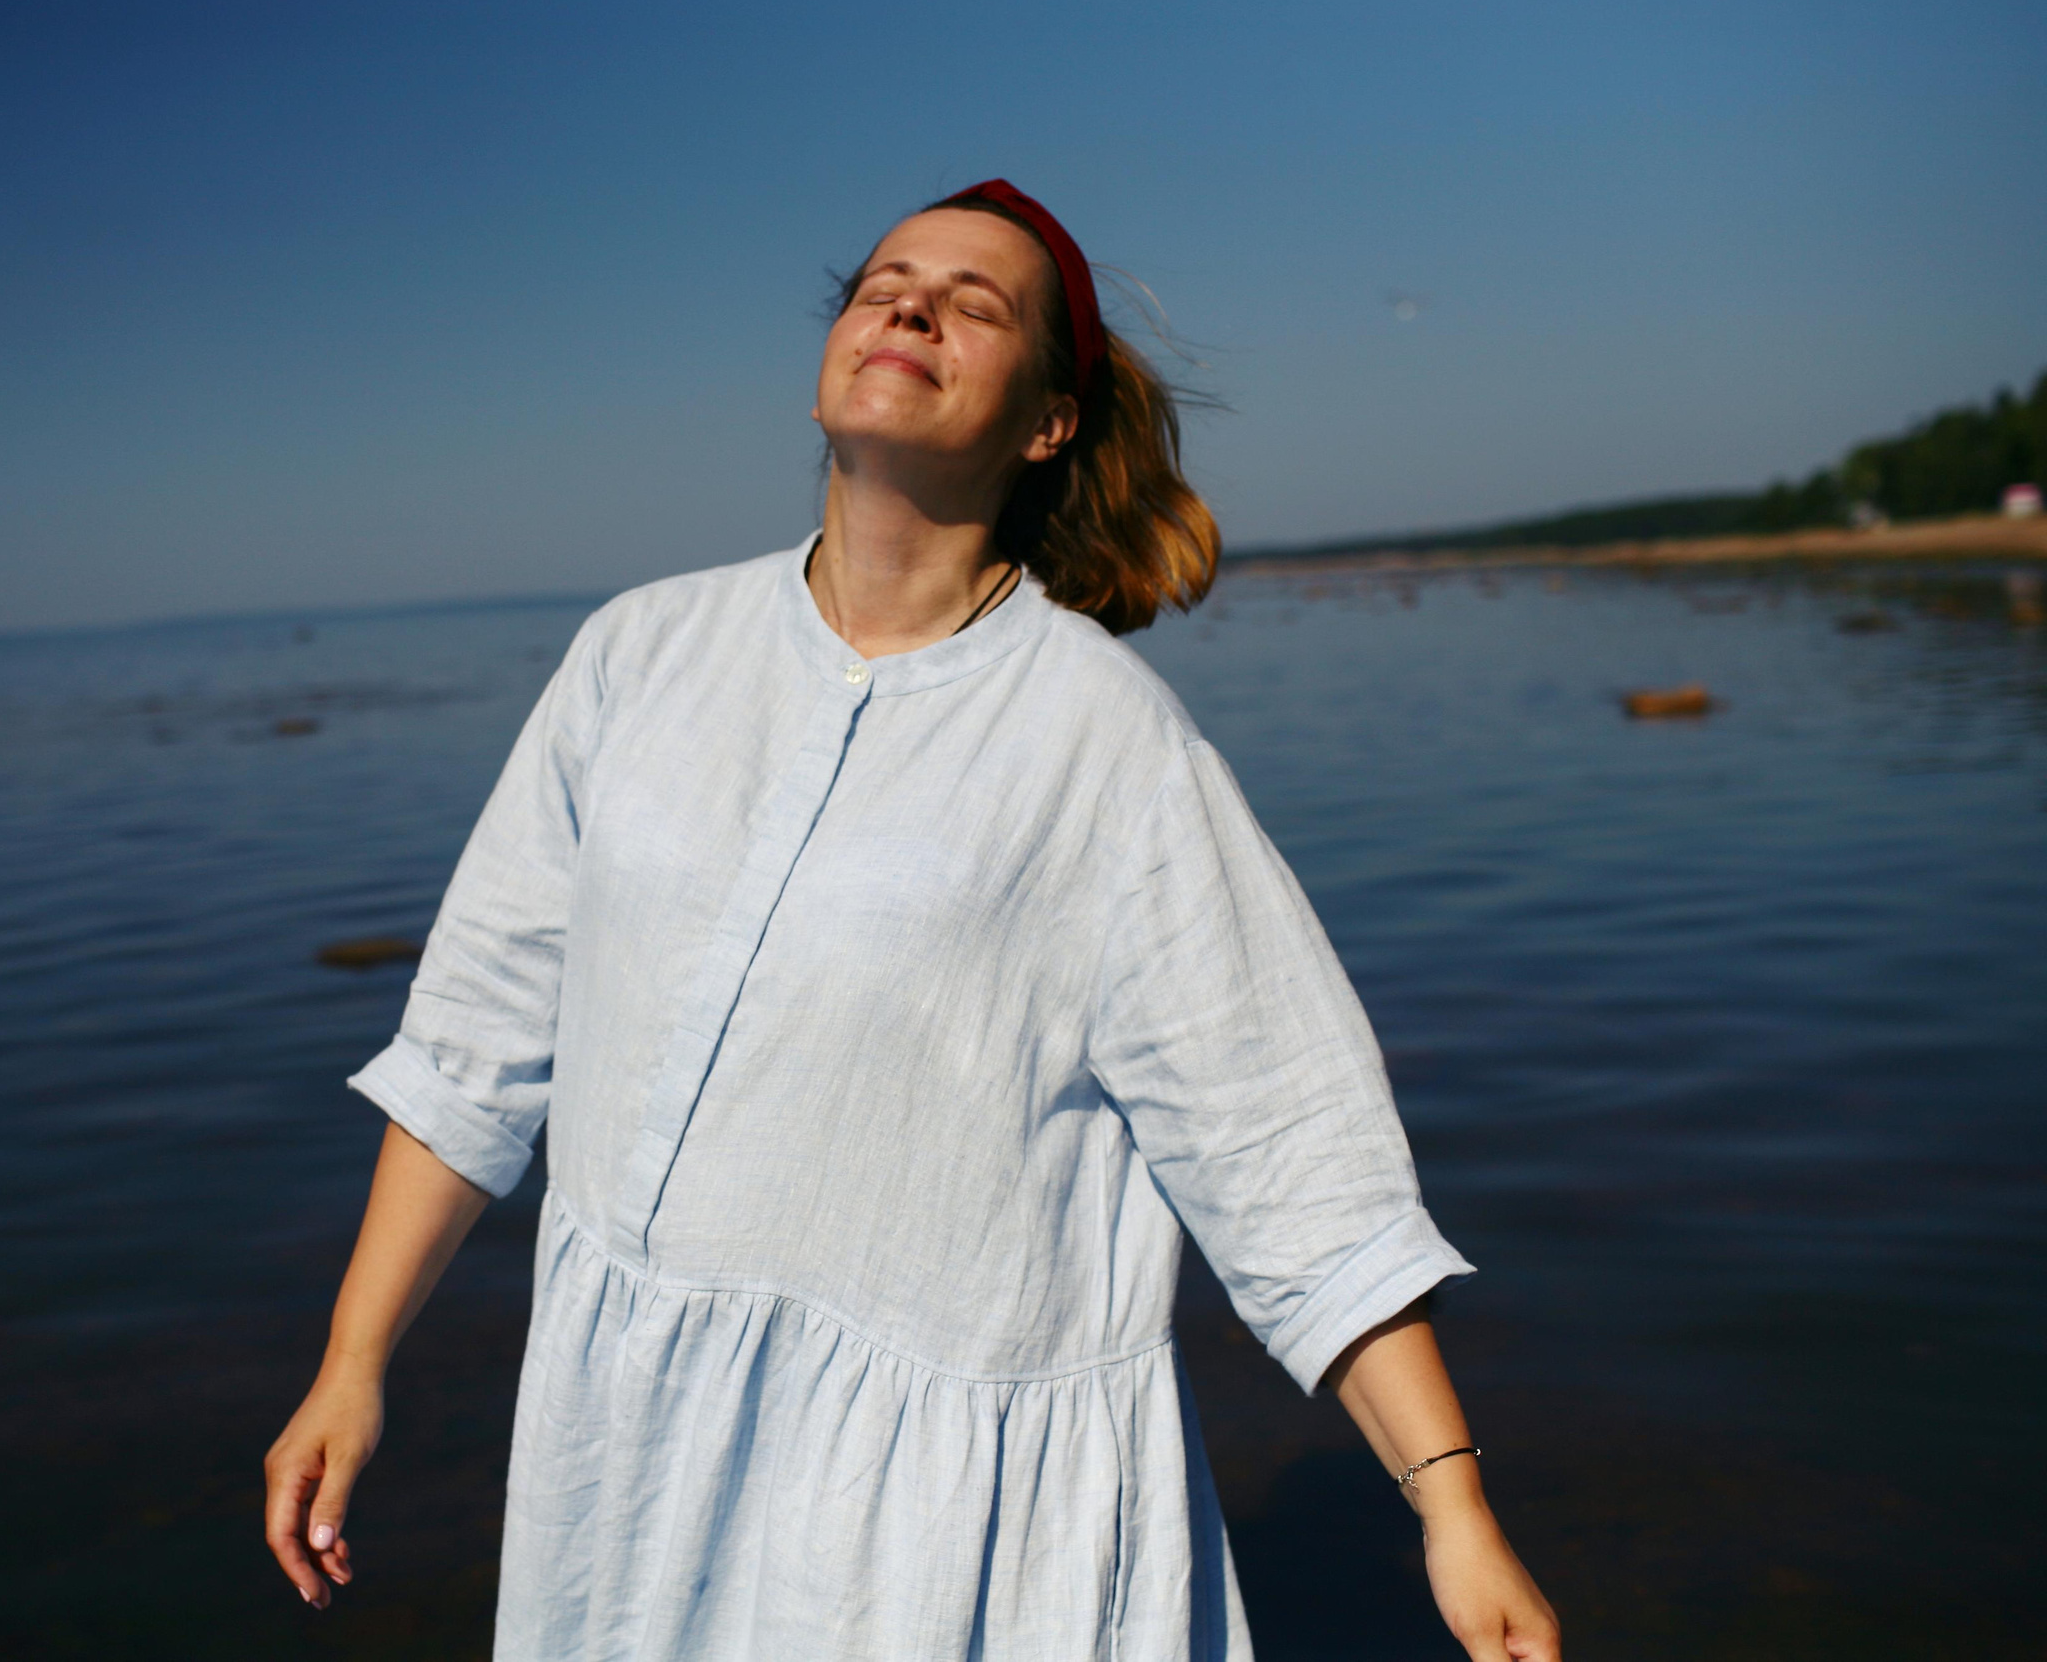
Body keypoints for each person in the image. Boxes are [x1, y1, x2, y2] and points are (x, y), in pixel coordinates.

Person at [265, 180, 1561, 1661]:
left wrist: (1453, 1510)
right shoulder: (640, 651)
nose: (911, 306)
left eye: (976, 302)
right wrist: (352, 1361)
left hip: (926, 1528)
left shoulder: (1106, 742)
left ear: (1048, 421)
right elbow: (479, 1037)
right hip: (630, 1460)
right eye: (885, 280)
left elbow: (1285, 1155)